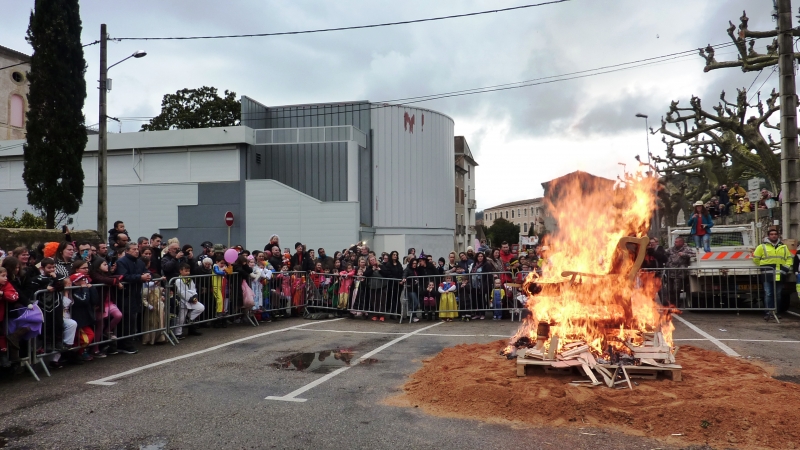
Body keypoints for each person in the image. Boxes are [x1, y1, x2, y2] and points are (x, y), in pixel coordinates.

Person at [115, 242, 151, 354]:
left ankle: (129, 342)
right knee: (127, 320)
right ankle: (125, 344)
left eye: (137, 249)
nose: (136, 251)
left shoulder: (140, 262)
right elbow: (124, 276)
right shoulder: (121, 262)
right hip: (125, 295)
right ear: (127, 250)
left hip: (136, 294)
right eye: (133, 249)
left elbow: (146, 271)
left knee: (133, 319)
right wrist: (140, 277)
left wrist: (148, 275)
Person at [753, 227, 792, 321]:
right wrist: (763, 267)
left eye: (775, 234)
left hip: (780, 274)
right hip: (767, 275)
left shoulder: (783, 247)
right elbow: (756, 258)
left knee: (778, 294)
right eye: (771, 234)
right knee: (769, 293)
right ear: (768, 236)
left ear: (778, 236)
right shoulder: (761, 247)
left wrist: (785, 268)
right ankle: (768, 312)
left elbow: (789, 259)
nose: (773, 236)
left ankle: (775, 312)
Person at [88, 258, 123, 357]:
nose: (107, 266)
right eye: (104, 264)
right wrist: (116, 281)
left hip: (109, 302)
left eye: (107, 264)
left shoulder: (108, 274)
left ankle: (107, 331)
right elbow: (104, 280)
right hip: (100, 304)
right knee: (99, 326)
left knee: (118, 315)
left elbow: (119, 277)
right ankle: (95, 349)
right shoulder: (94, 274)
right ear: (98, 265)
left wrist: (116, 280)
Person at [68, 273, 99, 361]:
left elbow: (95, 300)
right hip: (77, 320)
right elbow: (83, 300)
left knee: (86, 337)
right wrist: (85, 288)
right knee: (87, 337)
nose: (84, 281)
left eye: (84, 279)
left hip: (85, 318)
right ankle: (73, 352)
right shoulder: (73, 291)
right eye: (81, 279)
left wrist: (91, 288)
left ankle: (78, 353)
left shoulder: (84, 289)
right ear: (75, 281)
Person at [174, 263, 205, 339]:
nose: (188, 273)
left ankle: (189, 318)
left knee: (201, 307)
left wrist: (195, 296)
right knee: (180, 318)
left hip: (191, 299)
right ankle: (178, 333)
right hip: (183, 300)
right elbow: (181, 292)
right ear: (180, 271)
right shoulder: (178, 280)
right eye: (186, 271)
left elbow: (193, 289)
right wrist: (191, 298)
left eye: (188, 271)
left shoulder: (190, 279)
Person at [665, 237, 695, 306]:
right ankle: (670, 303)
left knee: (676, 289)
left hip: (679, 273)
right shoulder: (672, 249)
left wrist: (684, 254)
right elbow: (665, 253)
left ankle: (677, 303)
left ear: (681, 242)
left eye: (676, 242)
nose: (675, 243)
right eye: (675, 242)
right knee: (670, 289)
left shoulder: (686, 249)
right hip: (670, 272)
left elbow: (694, 254)